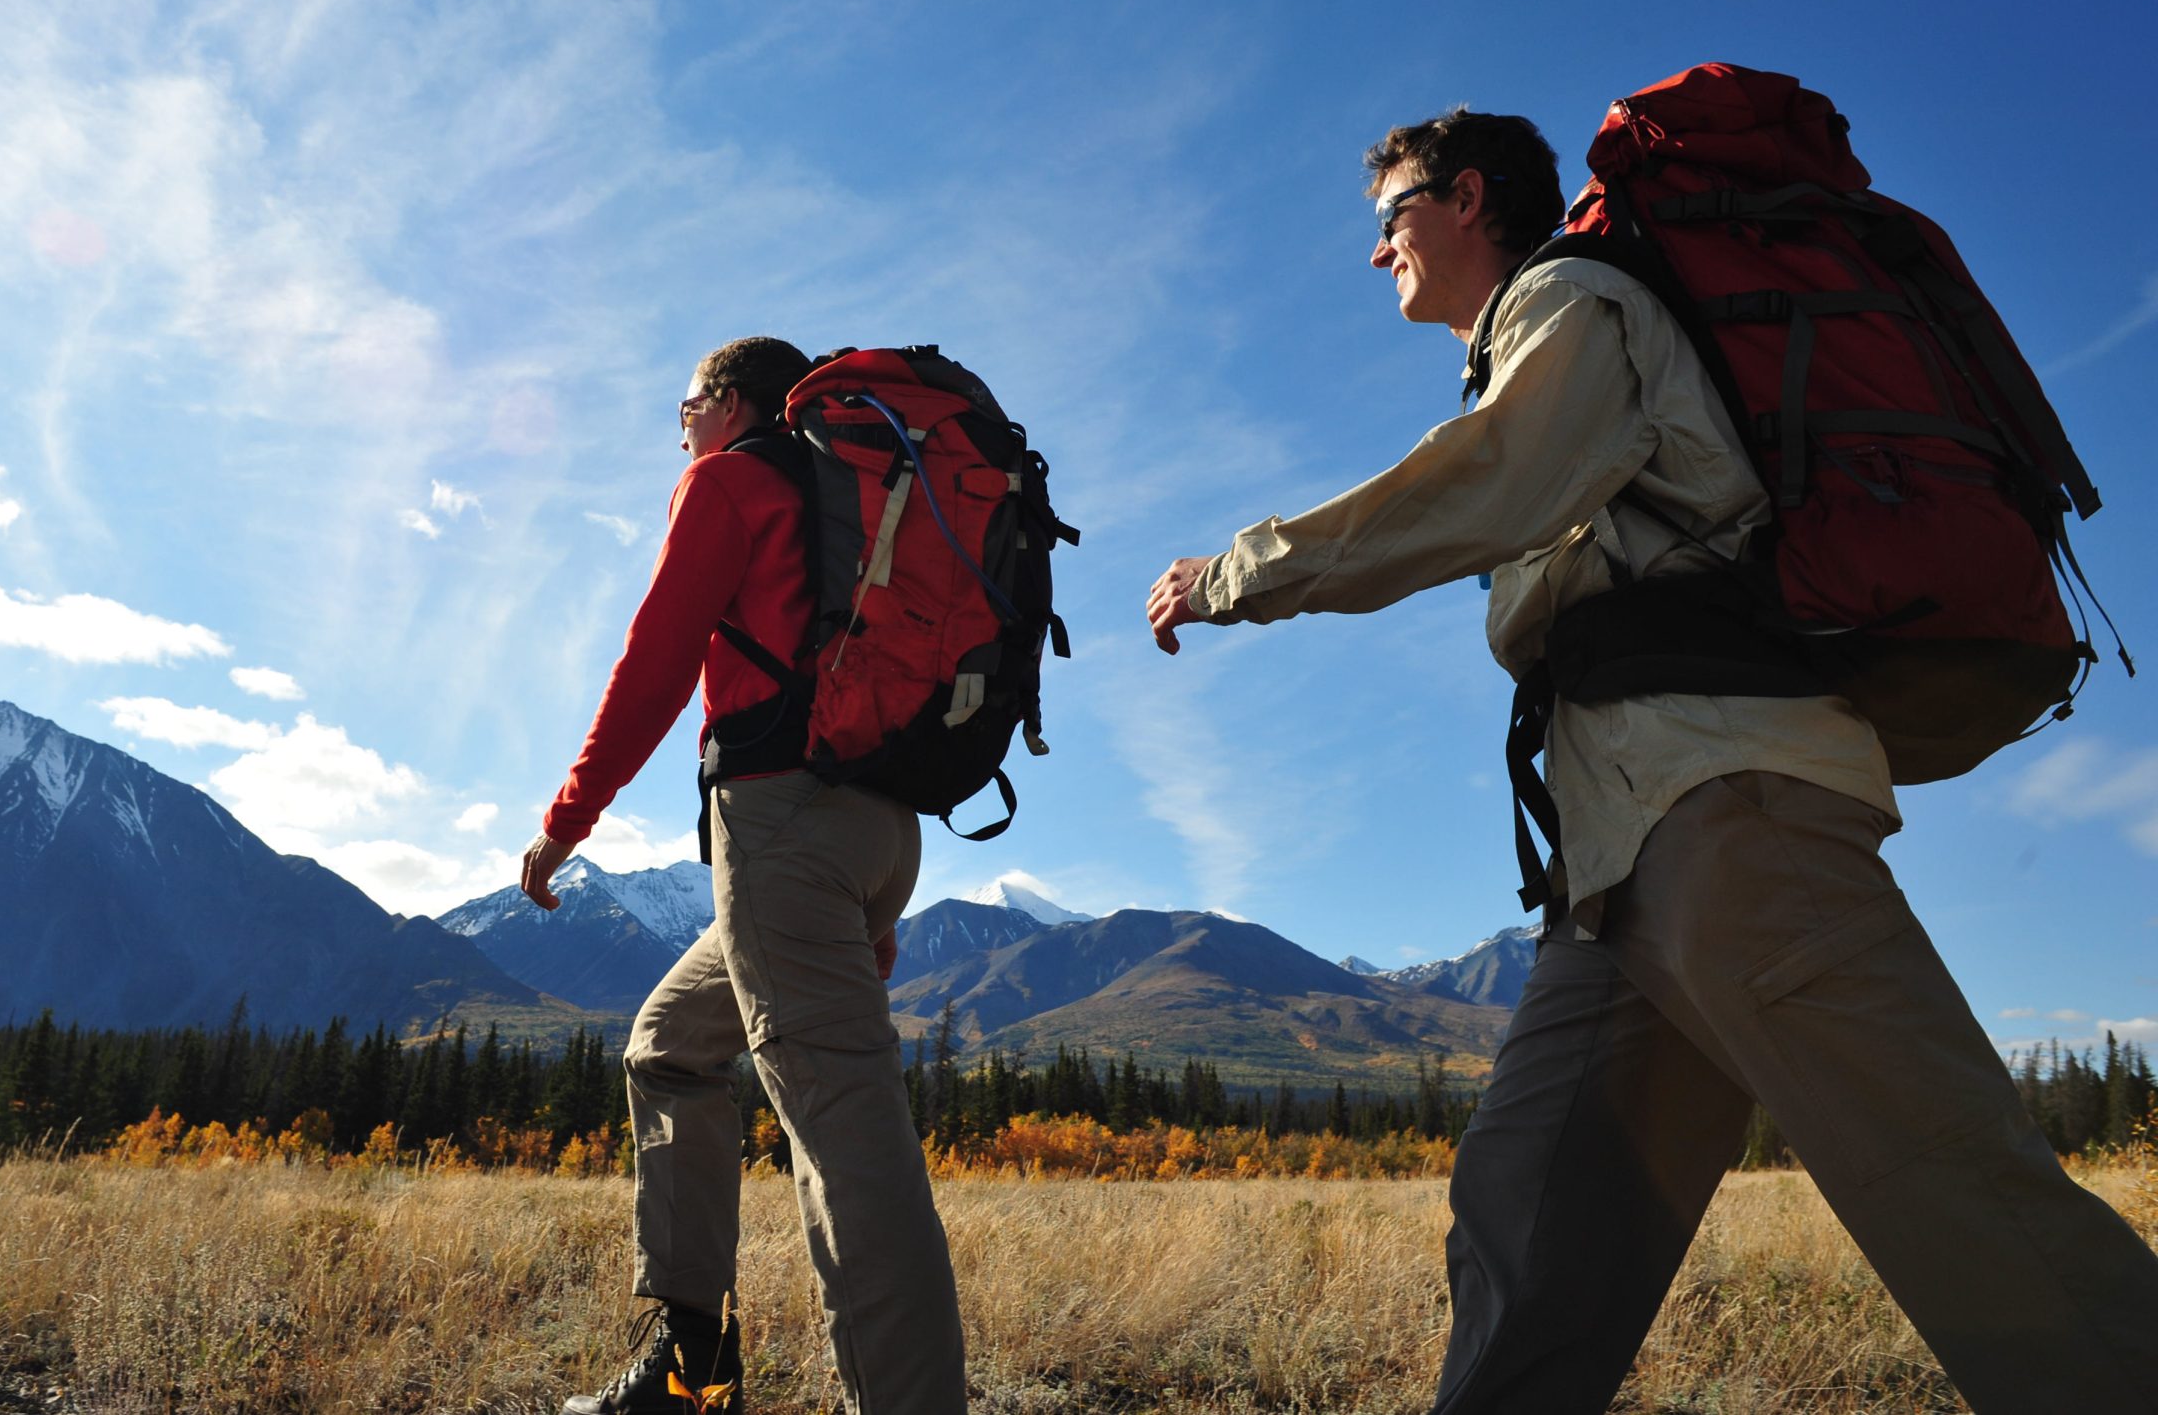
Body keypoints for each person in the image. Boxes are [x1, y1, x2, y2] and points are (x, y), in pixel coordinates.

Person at [1144, 110, 2158, 1413]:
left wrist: (1236, 570)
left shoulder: (1572, 297)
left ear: (1465, 200)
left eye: (1389, 217)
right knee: (1529, 1215)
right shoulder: (1544, 326)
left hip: (1728, 810)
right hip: (1624, 863)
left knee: (1963, 1198)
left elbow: (1492, 482)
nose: (1376, 250)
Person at [520, 335, 965, 1415]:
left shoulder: (730, 480)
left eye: (683, 406)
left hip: (786, 832)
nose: (677, 427)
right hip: (878, 829)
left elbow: (656, 659)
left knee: (845, 1138)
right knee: (668, 1048)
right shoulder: (858, 501)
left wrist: (564, 819)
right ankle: (692, 1370)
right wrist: (869, 893)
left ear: (725, 402)